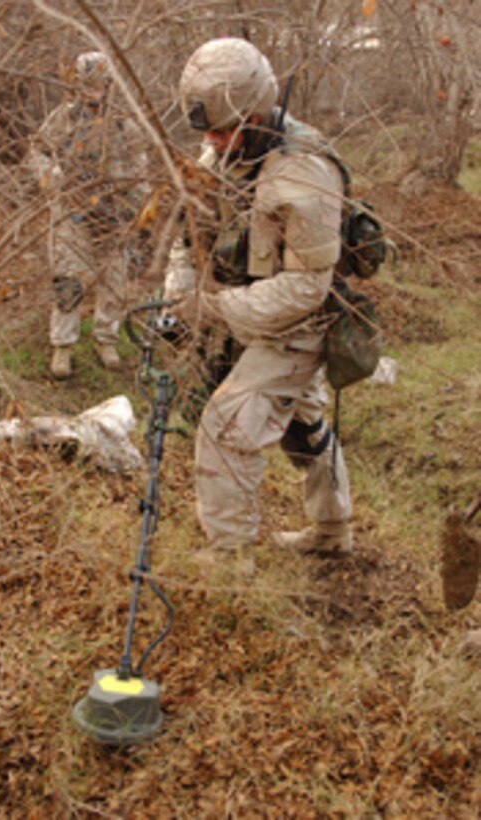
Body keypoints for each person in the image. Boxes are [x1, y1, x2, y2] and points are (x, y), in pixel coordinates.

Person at [165, 37, 353, 568]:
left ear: (255, 110)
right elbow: (190, 234)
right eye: (206, 130)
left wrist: (215, 309)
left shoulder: (302, 172)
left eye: (222, 130)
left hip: (301, 323)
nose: (212, 140)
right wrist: (178, 300)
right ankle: (333, 531)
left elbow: (306, 289)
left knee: (226, 427)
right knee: (304, 426)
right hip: (249, 309)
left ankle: (229, 559)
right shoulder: (223, 152)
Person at [30, 51, 147, 379]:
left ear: (110, 84)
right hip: (72, 211)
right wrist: (52, 179)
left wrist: (131, 210)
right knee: (69, 277)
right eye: (87, 84)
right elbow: (38, 150)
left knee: (114, 278)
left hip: (113, 212)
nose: (94, 90)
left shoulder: (125, 123)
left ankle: (105, 339)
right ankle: (63, 346)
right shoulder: (63, 118)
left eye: (99, 83)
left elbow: (140, 168)